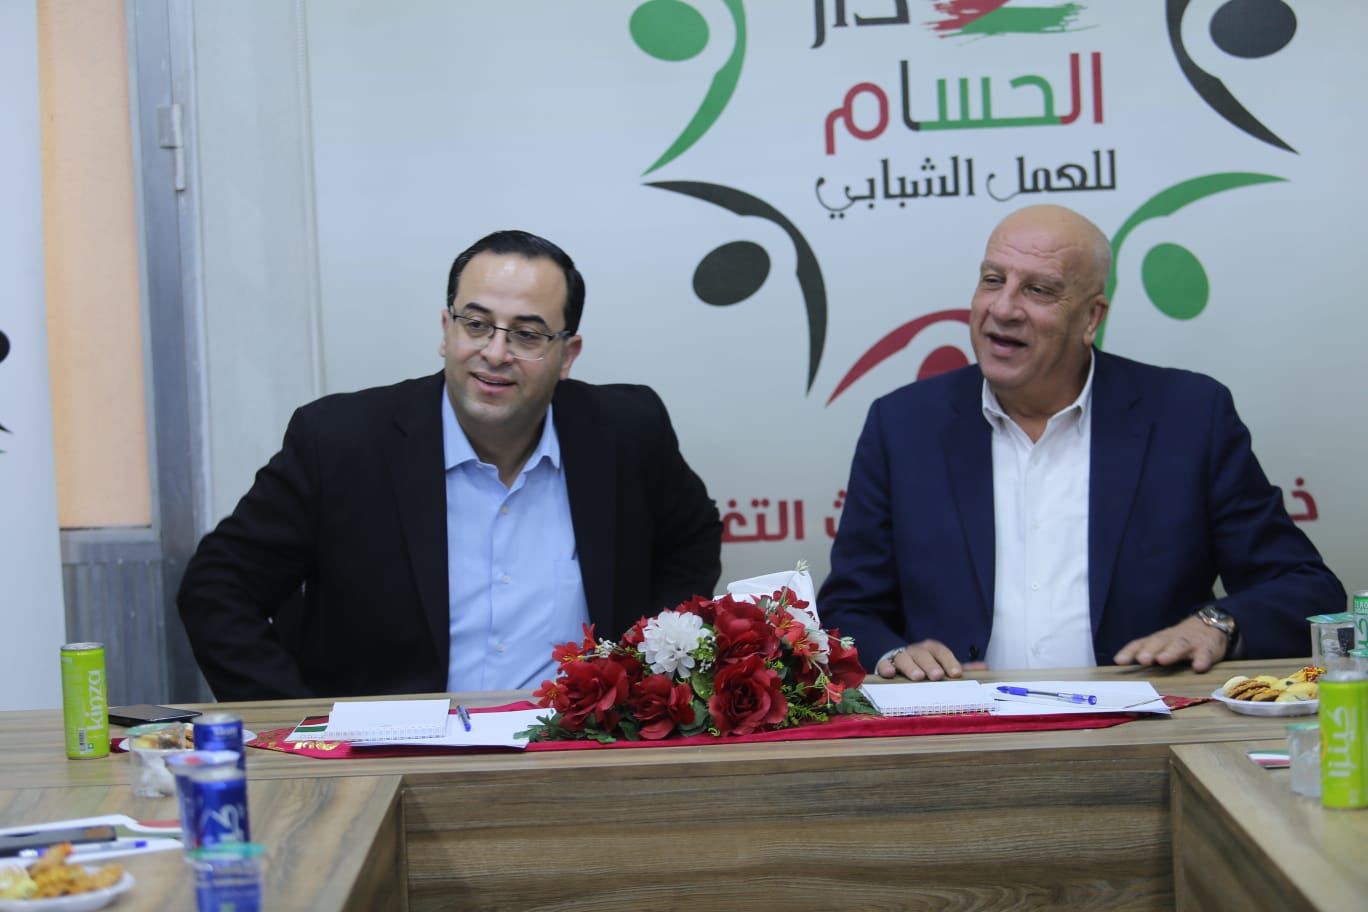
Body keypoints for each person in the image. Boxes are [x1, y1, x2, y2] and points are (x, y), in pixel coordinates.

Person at [179, 230, 722, 700]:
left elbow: (691, 537)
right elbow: (217, 587)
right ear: (446, 331)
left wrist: (647, 668)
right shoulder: (341, 442)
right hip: (394, 760)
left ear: (568, 355)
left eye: (527, 334)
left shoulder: (627, 431)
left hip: (573, 752)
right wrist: (298, 724)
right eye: (476, 324)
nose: (495, 353)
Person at [819, 204, 1344, 681]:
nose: (1003, 308)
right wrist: (894, 654)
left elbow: (1307, 590)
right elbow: (848, 611)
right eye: (993, 280)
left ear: (1091, 317)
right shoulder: (903, 426)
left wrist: (1217, 625)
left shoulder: (1188, 417)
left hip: (1144, 730)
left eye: (1038, 290)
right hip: (961, 734)